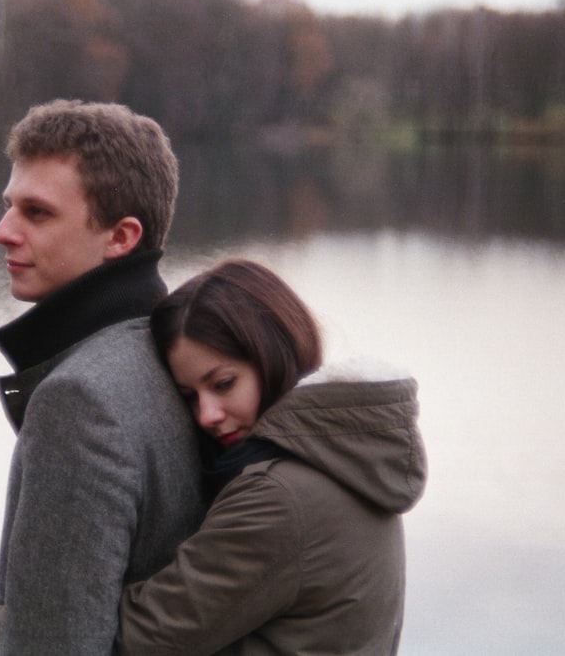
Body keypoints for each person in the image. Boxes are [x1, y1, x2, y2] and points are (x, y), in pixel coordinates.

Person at [0, 100, 207, 655]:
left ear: (121, 237)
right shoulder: (180, 361)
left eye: (36, 213)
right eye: (8, 205)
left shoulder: (79, 400)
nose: (2, 231)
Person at [116, 259, 428, 655]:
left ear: (274, 354)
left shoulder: (279, 497)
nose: (207, 415)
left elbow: (144, 637)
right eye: (189, 396)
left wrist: (18, 619)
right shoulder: (346, 461)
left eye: (224, 383)